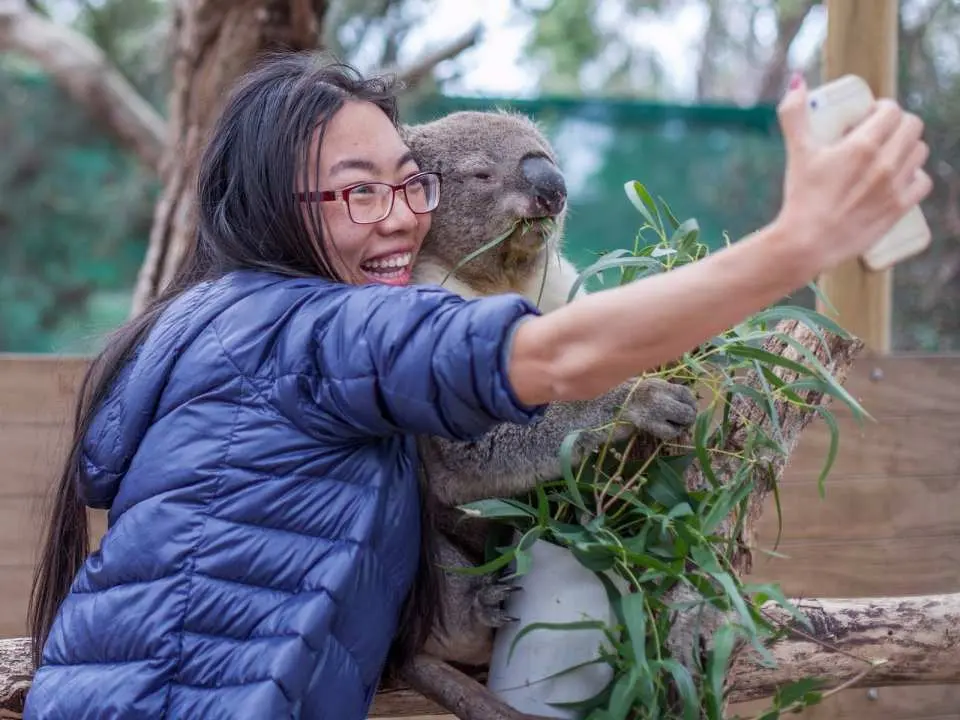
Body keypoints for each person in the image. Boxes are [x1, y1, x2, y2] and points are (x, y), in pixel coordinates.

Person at [23, 51, 930, 720]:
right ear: (271, 206)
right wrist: (796, 245)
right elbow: (552, 362)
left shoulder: (215, 321)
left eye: (406, 187)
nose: (398, 218)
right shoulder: (312, 329)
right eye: (357, 192)